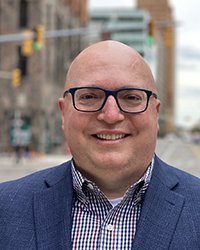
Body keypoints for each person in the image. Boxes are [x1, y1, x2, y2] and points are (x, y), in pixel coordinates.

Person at [0, 40, 200, 250]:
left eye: (131, 97)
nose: (111, 115)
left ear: (155, 114)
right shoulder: (5, 207)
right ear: (63, 113)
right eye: (89, 96)